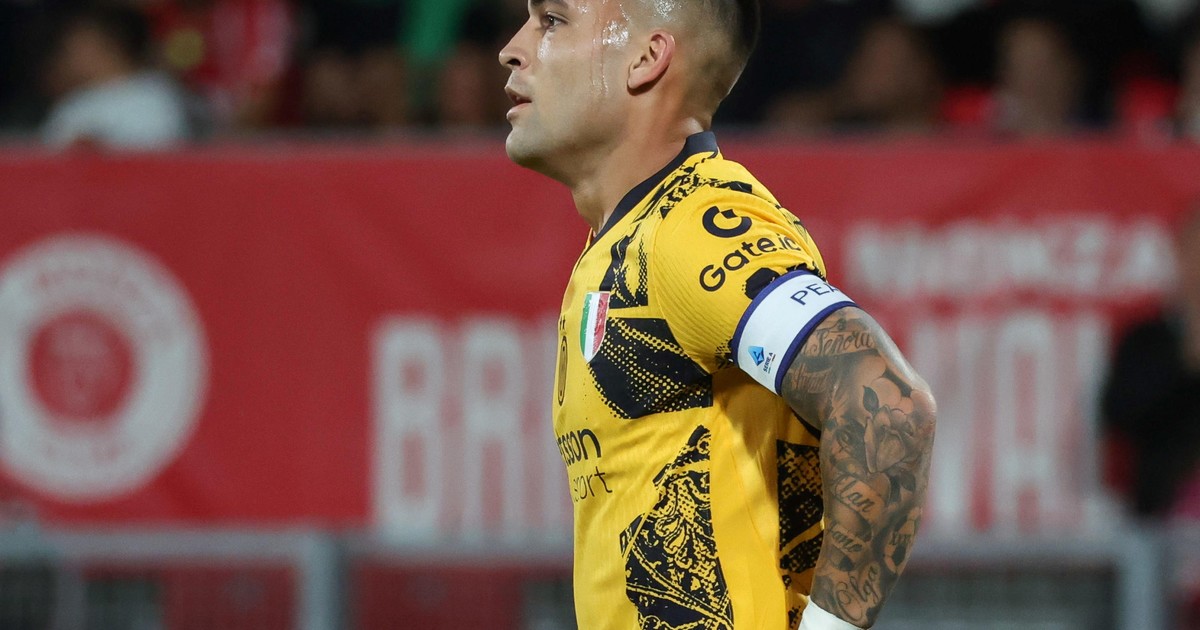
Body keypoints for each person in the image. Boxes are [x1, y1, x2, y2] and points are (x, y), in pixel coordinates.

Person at [498, 1, 937, 628]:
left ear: (646, 58)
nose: (512, 49)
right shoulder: (625, 242)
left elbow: (888, 404)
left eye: (553, 20)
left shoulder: (694, 226)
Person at [42, 6, 192, 149]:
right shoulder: (72, 103)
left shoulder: (155, 95)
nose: (71, 58)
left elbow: (162, 150)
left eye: (80, 48)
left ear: (111, 46)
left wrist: (99, 149)